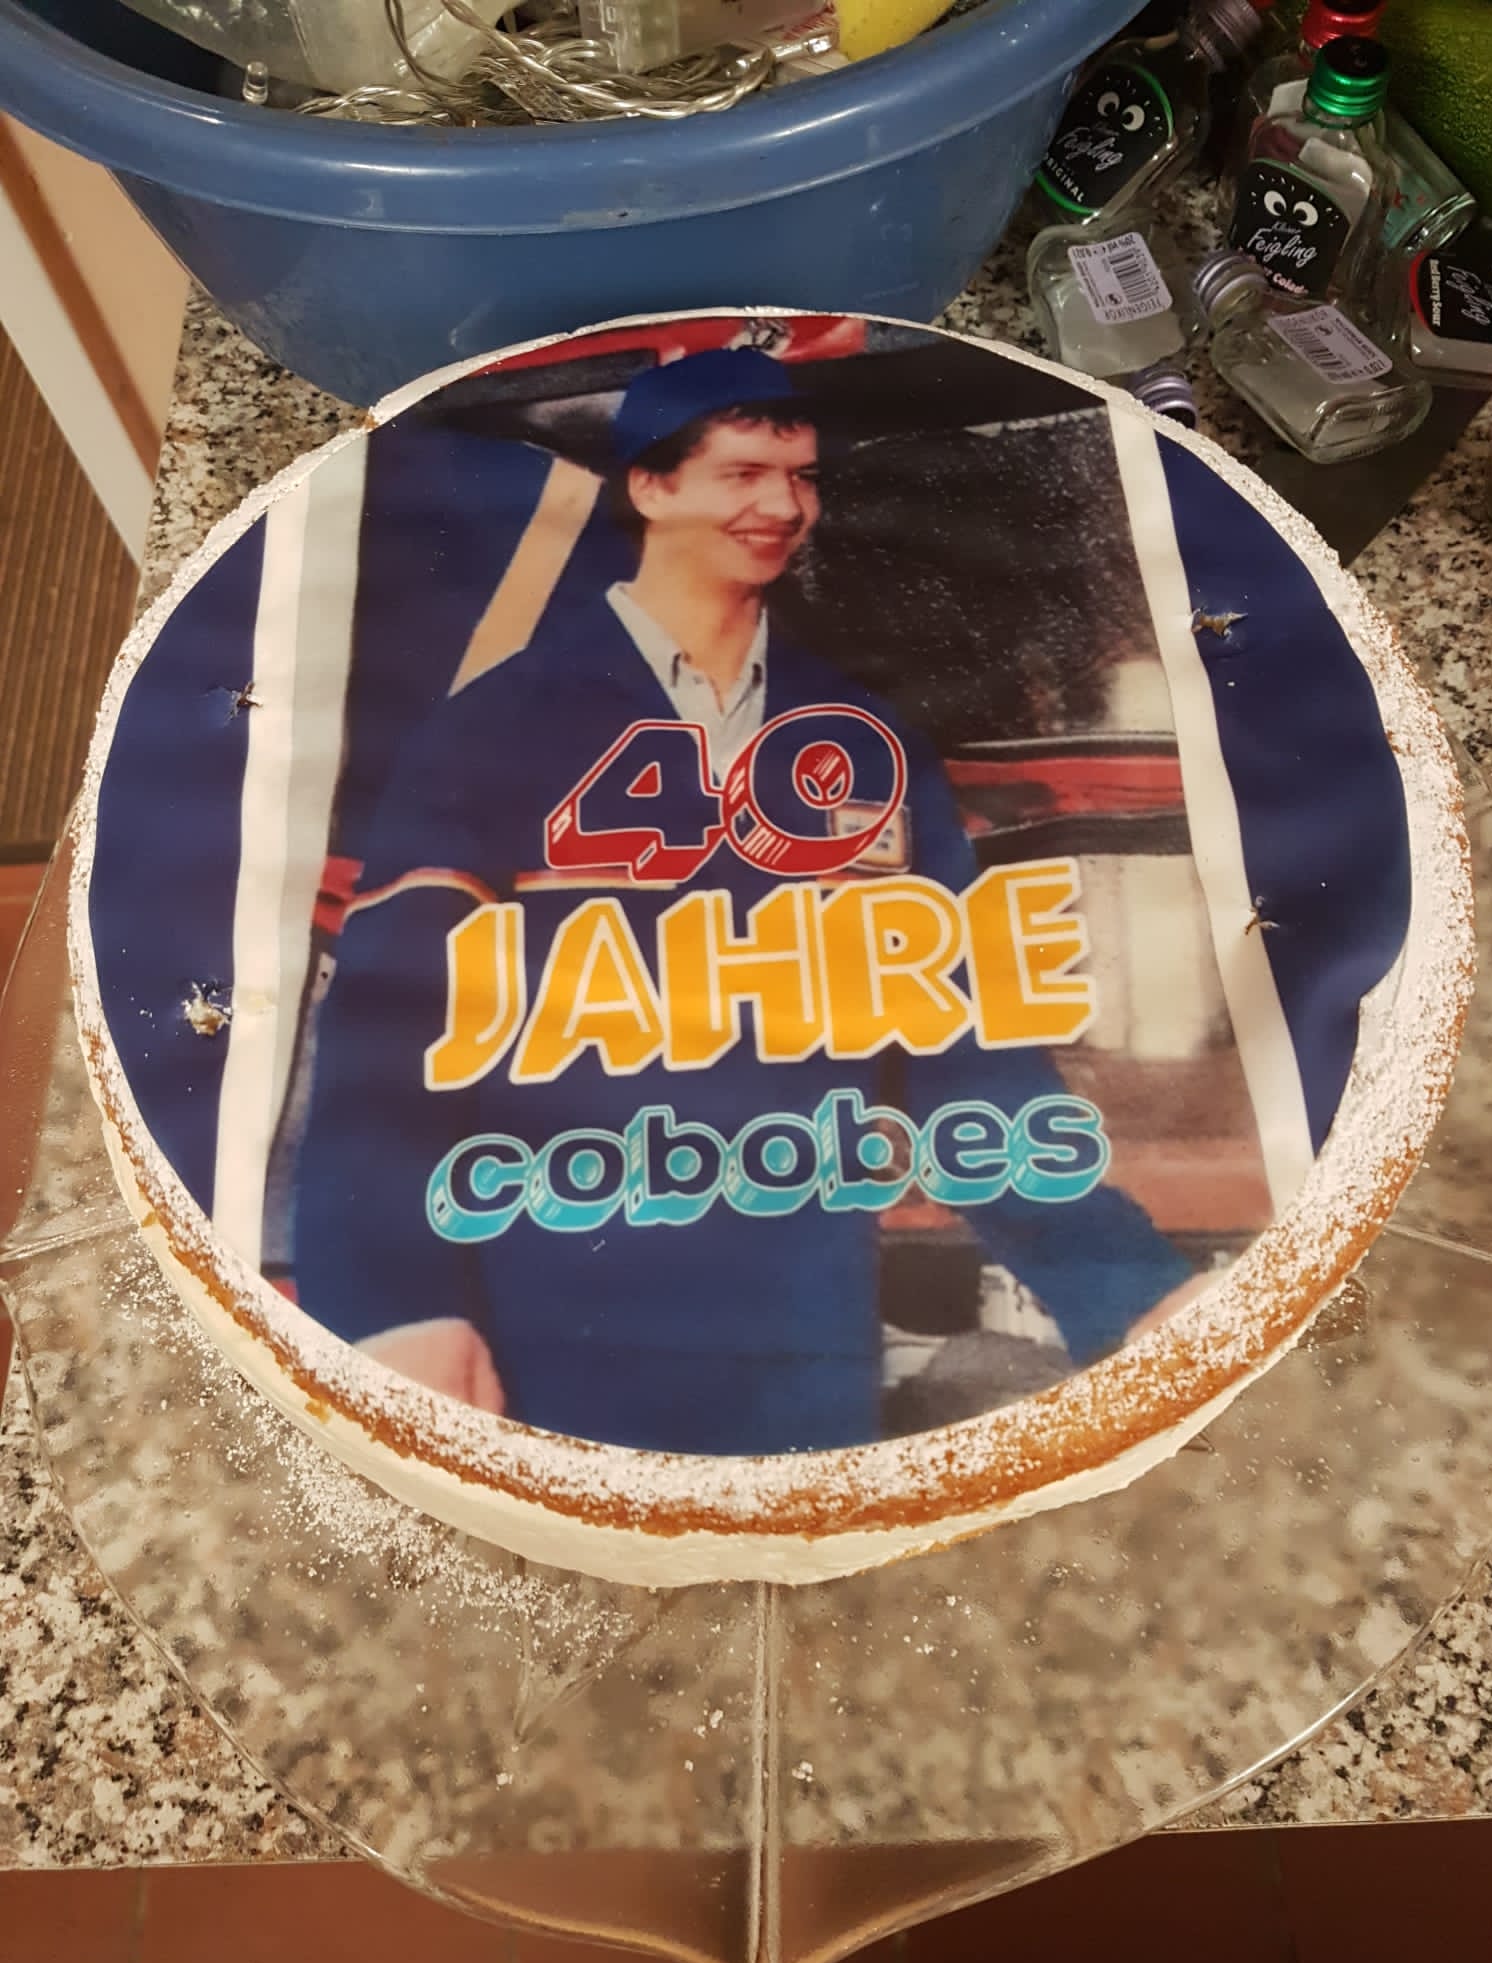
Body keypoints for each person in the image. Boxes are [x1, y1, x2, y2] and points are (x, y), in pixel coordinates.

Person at [291, 348, 1195, 1456]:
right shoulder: (494, 726)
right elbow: (388, 1039)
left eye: (801, 476)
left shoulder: (870, 742)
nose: (782, 506)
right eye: (743, 473)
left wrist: (1134, 1291)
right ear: (650, 486)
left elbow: (966, 1058)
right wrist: (395, 1302)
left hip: (804, 1339)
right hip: (540, 1327)